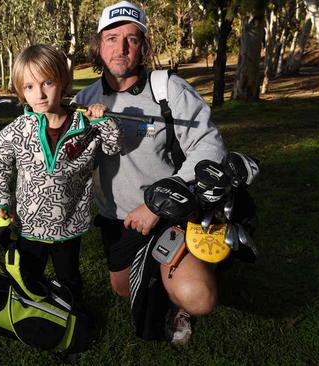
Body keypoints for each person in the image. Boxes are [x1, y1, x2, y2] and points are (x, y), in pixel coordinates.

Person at [73, 1, 227, 344]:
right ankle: (165, 268)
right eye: (112, 38)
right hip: (118, 219)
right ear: (99, 45)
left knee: (198, 296)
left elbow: (210, 147)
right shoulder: (85, 98)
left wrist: (159, 204)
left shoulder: (166, 89)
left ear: (143, 46)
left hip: (169, 213)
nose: (121, 48)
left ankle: (184, 293)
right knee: (123, 289)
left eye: (132, 38)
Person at [0, 44, 122, 305]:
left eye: (47, 83)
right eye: (29, 87)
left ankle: (74, 316)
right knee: (28, 275)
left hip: (68, 223)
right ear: (20, 90)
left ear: (62, 81)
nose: (39, 94)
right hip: (29, 224)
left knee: (69, 277)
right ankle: (32, 313)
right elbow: (0, 166)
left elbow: (113, 146)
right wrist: (0, 200)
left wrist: (103, 121)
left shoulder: (85, 125)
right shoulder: (15, 131)